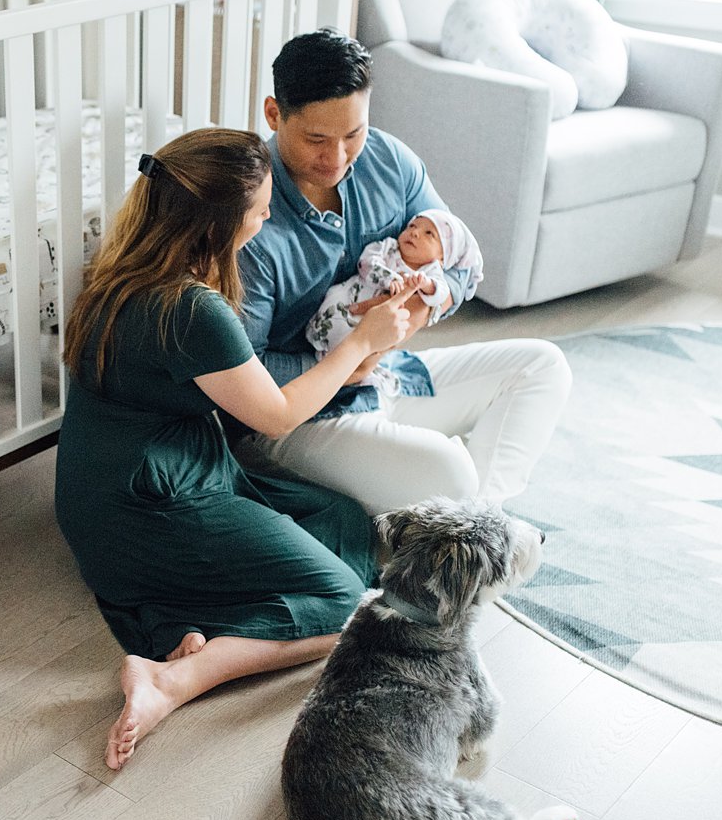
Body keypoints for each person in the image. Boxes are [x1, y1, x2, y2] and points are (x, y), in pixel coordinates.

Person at [54, 128, 416, 771]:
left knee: (341, 520)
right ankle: (176, 680)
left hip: (116, 485)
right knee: (343, 601)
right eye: (260, 209)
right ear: (218, 226)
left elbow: (237, 387)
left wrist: (345, 359)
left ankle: (191, 625)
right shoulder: (190, 310)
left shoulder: (121, 271)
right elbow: (274, 417)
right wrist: (359, 345)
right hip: (148, 503)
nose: (270, 216)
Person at [233, 29, 572, 516]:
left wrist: (407, 318)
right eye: (316, 140)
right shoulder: (251, 216)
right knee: (450, 474)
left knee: (542, 365)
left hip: (391, 377)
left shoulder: (390, 161)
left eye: (354, 134)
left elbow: (462, 263)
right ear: (273, 114)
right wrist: (355, 355)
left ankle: (475, 526)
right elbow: (249, 375)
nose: (339, 158)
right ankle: (464, 526)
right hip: (302, 418)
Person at [305, 208, 483, 393]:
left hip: (370, 323)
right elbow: (366, 263)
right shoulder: (389, 248)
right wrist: (389, 279)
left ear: (443, 256)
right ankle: (325, 348)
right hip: (350, 298)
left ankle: (339, 364)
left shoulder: (430, 272)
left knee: (359, 339)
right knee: (335, 306)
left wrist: (426, 285)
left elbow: (440, 293)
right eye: (412, 226)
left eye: (428, 233)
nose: (414, 232)